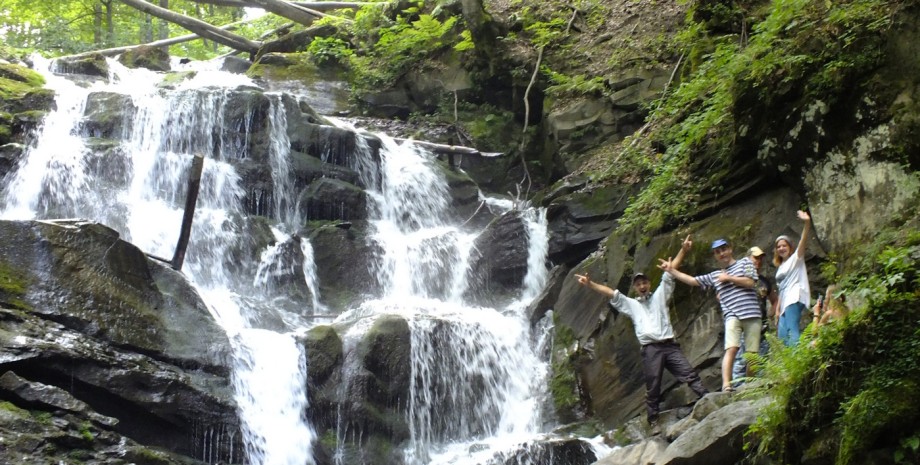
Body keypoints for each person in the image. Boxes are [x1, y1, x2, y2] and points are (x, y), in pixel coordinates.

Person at [574, 235, 708, 434]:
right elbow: (611, 293)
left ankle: (707, 399)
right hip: (651, 349)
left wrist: (684, 250)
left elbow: (670, 272)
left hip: (669, 345)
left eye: (644, 282)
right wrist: (590, 284)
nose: (642, 286)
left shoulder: (660, 295)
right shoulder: (632, 305)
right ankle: (653, 421)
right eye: (638, 284)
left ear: (648, 284)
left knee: (688, 373)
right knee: (653, 384)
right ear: (635, 288)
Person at [659, 238, 761, 393]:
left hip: (751, 312)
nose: (722, 254)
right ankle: (726, 385)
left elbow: (750, 283)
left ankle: (749, 385)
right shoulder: (715, 275)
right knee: (731, 348)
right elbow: (693, 281)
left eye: (723, 249)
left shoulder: (745, 263)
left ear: (730, 249)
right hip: (732, 315)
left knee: (752, 353)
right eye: (718, 252)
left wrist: (729, 278)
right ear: (715, 255)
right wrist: (671, 270)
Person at [731, 246, 777, 383]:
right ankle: (737, 389)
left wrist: (772, 312)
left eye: (760, 258)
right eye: (755, 258)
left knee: (760, 358)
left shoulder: (764, 281)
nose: (758, 261)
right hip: (743, 323)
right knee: (741, 359)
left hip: (761, 325)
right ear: (748, 258)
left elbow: (774, 300)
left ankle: (756, 388)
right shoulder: (738, 278)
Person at [773, 210, 812, 346]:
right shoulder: (780, 268)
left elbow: (803, 240)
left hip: (795, 296)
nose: (781, 248)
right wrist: (777, 310)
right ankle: (792, 362)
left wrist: (807, 222)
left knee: (792, 329)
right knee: (782, 337)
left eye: (784, 245)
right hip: (784, 302)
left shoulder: (796, 258)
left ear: (790, 247)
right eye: (779, 246)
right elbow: (781, 290)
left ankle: (800, 360)